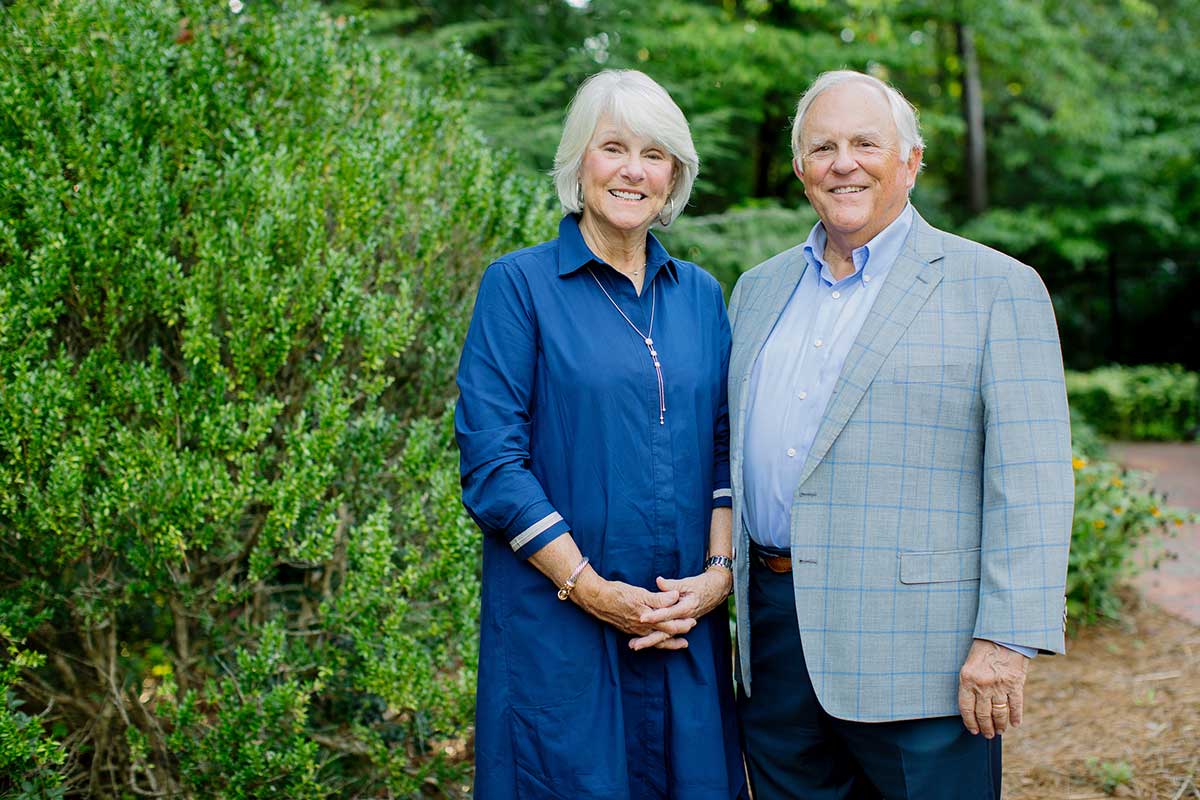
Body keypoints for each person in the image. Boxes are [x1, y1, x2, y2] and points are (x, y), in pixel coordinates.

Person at [726, 70, 1074, 799]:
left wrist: (1006, 640)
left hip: (925, 656)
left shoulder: (996, 288)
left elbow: (1033, 481)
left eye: (866, 143)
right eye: (823, 147)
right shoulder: (756, 290)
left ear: (911, 162)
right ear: (800, 168)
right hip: (776, 637)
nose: (842, 163)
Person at [455, 69, 745, 799]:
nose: (632, 170)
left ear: (673, 175)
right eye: (613, 147)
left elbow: (725, 451)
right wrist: (587, 588)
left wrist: (717, 579)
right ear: (579, 161)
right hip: (561, 628)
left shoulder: (701, 296)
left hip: (682, 628)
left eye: (654, 154)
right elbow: (493, 465)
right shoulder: (518, 287)